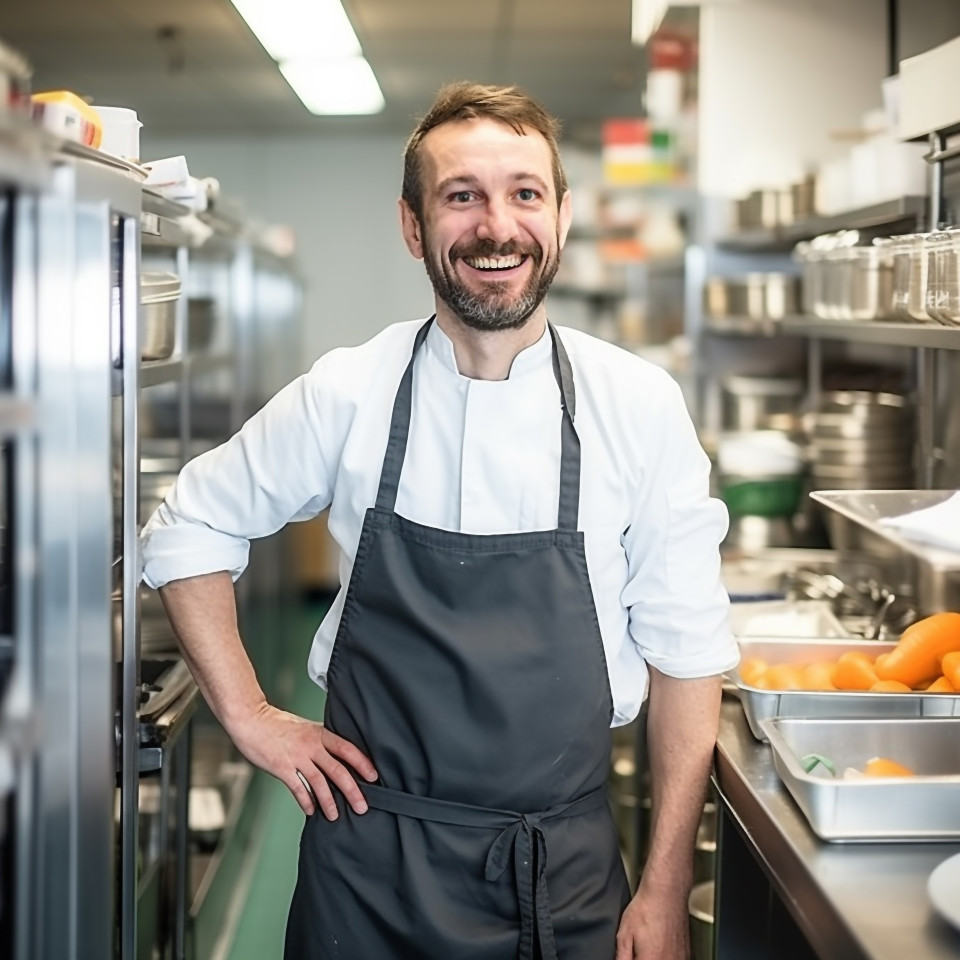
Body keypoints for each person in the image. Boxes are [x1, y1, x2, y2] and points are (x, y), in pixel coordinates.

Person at [142, 81, 737, 960]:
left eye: (524, 193)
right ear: (415, 226)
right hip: (369, 871)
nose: (497, 226)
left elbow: (688, 656)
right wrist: (251, 715)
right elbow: (189, 524)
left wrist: (664, 885)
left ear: (561, 217)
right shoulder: (351, 390)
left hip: (561, 872)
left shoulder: (637, 406)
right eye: (463, 196)